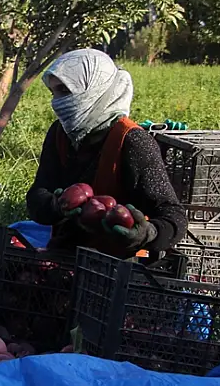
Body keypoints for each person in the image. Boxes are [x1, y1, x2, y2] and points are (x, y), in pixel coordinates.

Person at [26, 48, 187, 258]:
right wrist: (56, 205)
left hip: (116, 267)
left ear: (96, 89)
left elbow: (173, 216)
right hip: (64, 255)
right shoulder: (60, 134)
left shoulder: (132, 141)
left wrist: (146, 233)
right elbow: (39, 193)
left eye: (65, 92)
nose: (57, 102)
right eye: (54, 93)